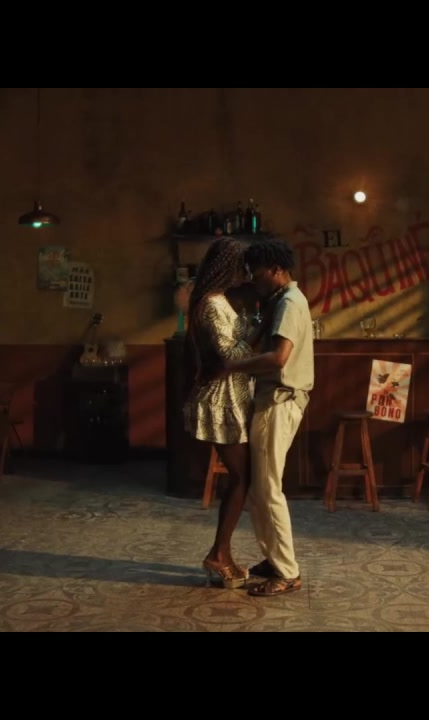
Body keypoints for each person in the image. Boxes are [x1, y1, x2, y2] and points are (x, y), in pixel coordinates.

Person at [223, 239, 314, 597]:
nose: (253, 279)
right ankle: (276, 559)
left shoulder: (290, 302)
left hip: (279, 400)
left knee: (268, 489)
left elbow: (279, 358)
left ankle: (287, 572)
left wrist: (232, 367)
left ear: (276, 270)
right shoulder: (280, 300)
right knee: (261, 488)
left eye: (257, 273)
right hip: (274, 400)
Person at [183, 237, 271, 588]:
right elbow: (229, 355)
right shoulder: (211, 303)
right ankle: (218, 554)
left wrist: (255, 326)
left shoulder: (218, 300)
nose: (246, 272)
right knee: (241, 477)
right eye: (241, 266)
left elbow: (234, 349)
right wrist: (260, 331)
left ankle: (222, 553)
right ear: (228, 267)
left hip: (231, 395)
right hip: (220, 400)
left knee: (242, 477)